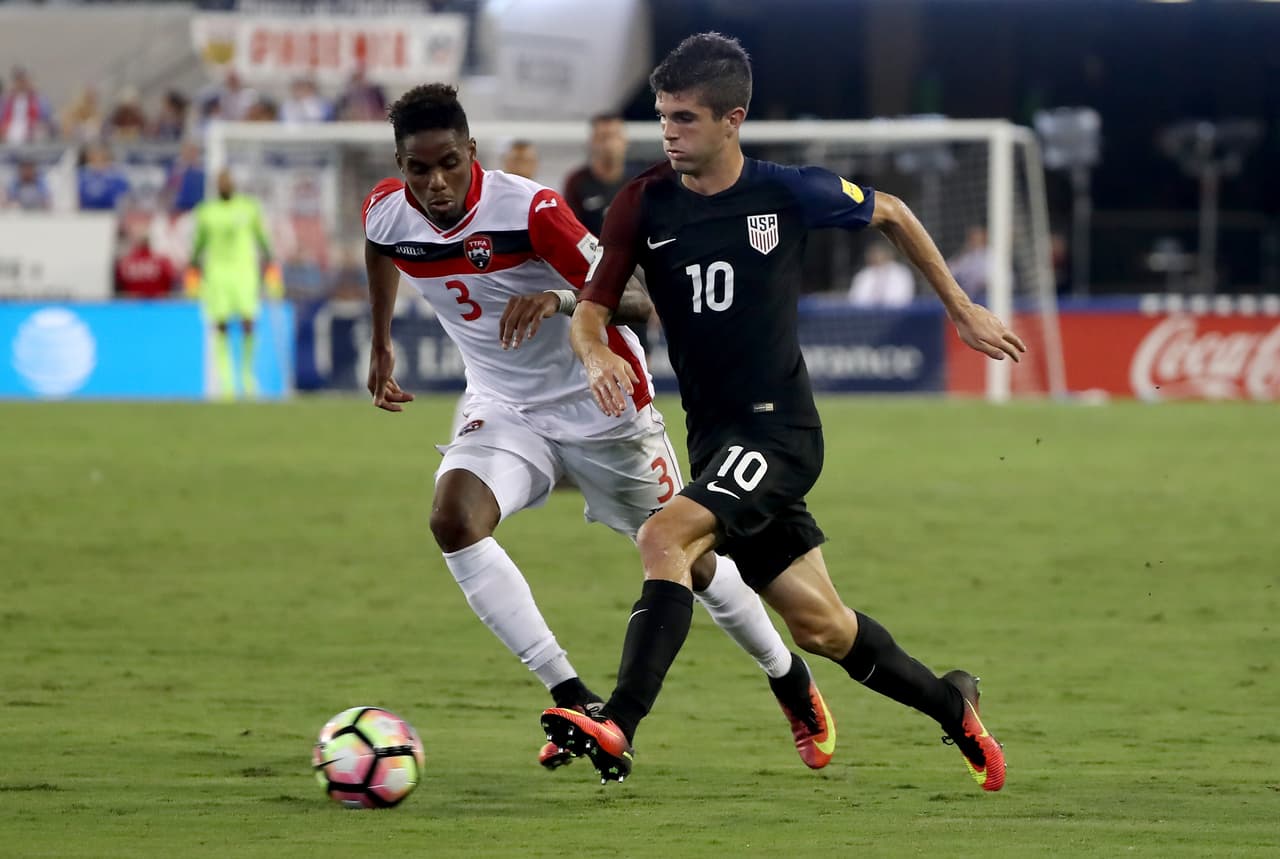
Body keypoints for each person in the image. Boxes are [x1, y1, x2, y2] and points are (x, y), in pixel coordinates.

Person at [543, 32, 1025, 791]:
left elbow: (892, 212)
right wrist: (594, 349)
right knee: (822, 626)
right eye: (664, 117)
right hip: (719, 442)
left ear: (732, 119)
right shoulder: (642, 203)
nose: (669, 132)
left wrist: (960, 307)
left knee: (666, 535)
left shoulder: (787, 191)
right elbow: (592, 307)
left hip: (779, 431)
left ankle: (619, 721)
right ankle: (953, 704)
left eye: (686, 119)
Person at [364, 83, 836, 772]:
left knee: (697, 563)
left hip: (602, 404)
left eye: (448, 165)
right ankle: (574, 694)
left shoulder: (531, 210)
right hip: (505, 407)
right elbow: (379, 246)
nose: (434, 183)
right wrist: (382, 340)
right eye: (417, 168)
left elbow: (638, 296)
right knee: (454, 520)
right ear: (400, 164)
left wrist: (559, 300)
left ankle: (788, 676)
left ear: (472, 152)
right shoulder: (386, 208)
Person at [188, 169, 279, 399]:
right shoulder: (206, 212)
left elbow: (262, 239)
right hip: (217, 274)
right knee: (221, 325)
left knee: (248, 321)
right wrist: (192, 271)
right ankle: (227, 384)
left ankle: (247, 378)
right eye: (221, 181)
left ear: (234, 183)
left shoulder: (249, 208)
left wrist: (271, 268)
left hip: (244, 273)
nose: (225, 184)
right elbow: (198, 246)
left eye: (228, 180)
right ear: (216, 185)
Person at [563, 113, 630, 238]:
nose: (609, 144)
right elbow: (569, 231)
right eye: (603, 137)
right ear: (591, 142)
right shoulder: (577, 182)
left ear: (625, 141)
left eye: (615, 136)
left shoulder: (639, 183)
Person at [848, 240, 914, 307]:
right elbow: (854, 299)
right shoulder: (863, 274)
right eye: (874, 254)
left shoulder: (902, 272)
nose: (877, 257)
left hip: (896, 314)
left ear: (889, 255)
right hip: (867, 315)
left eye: (880, 253)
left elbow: (904, 298)